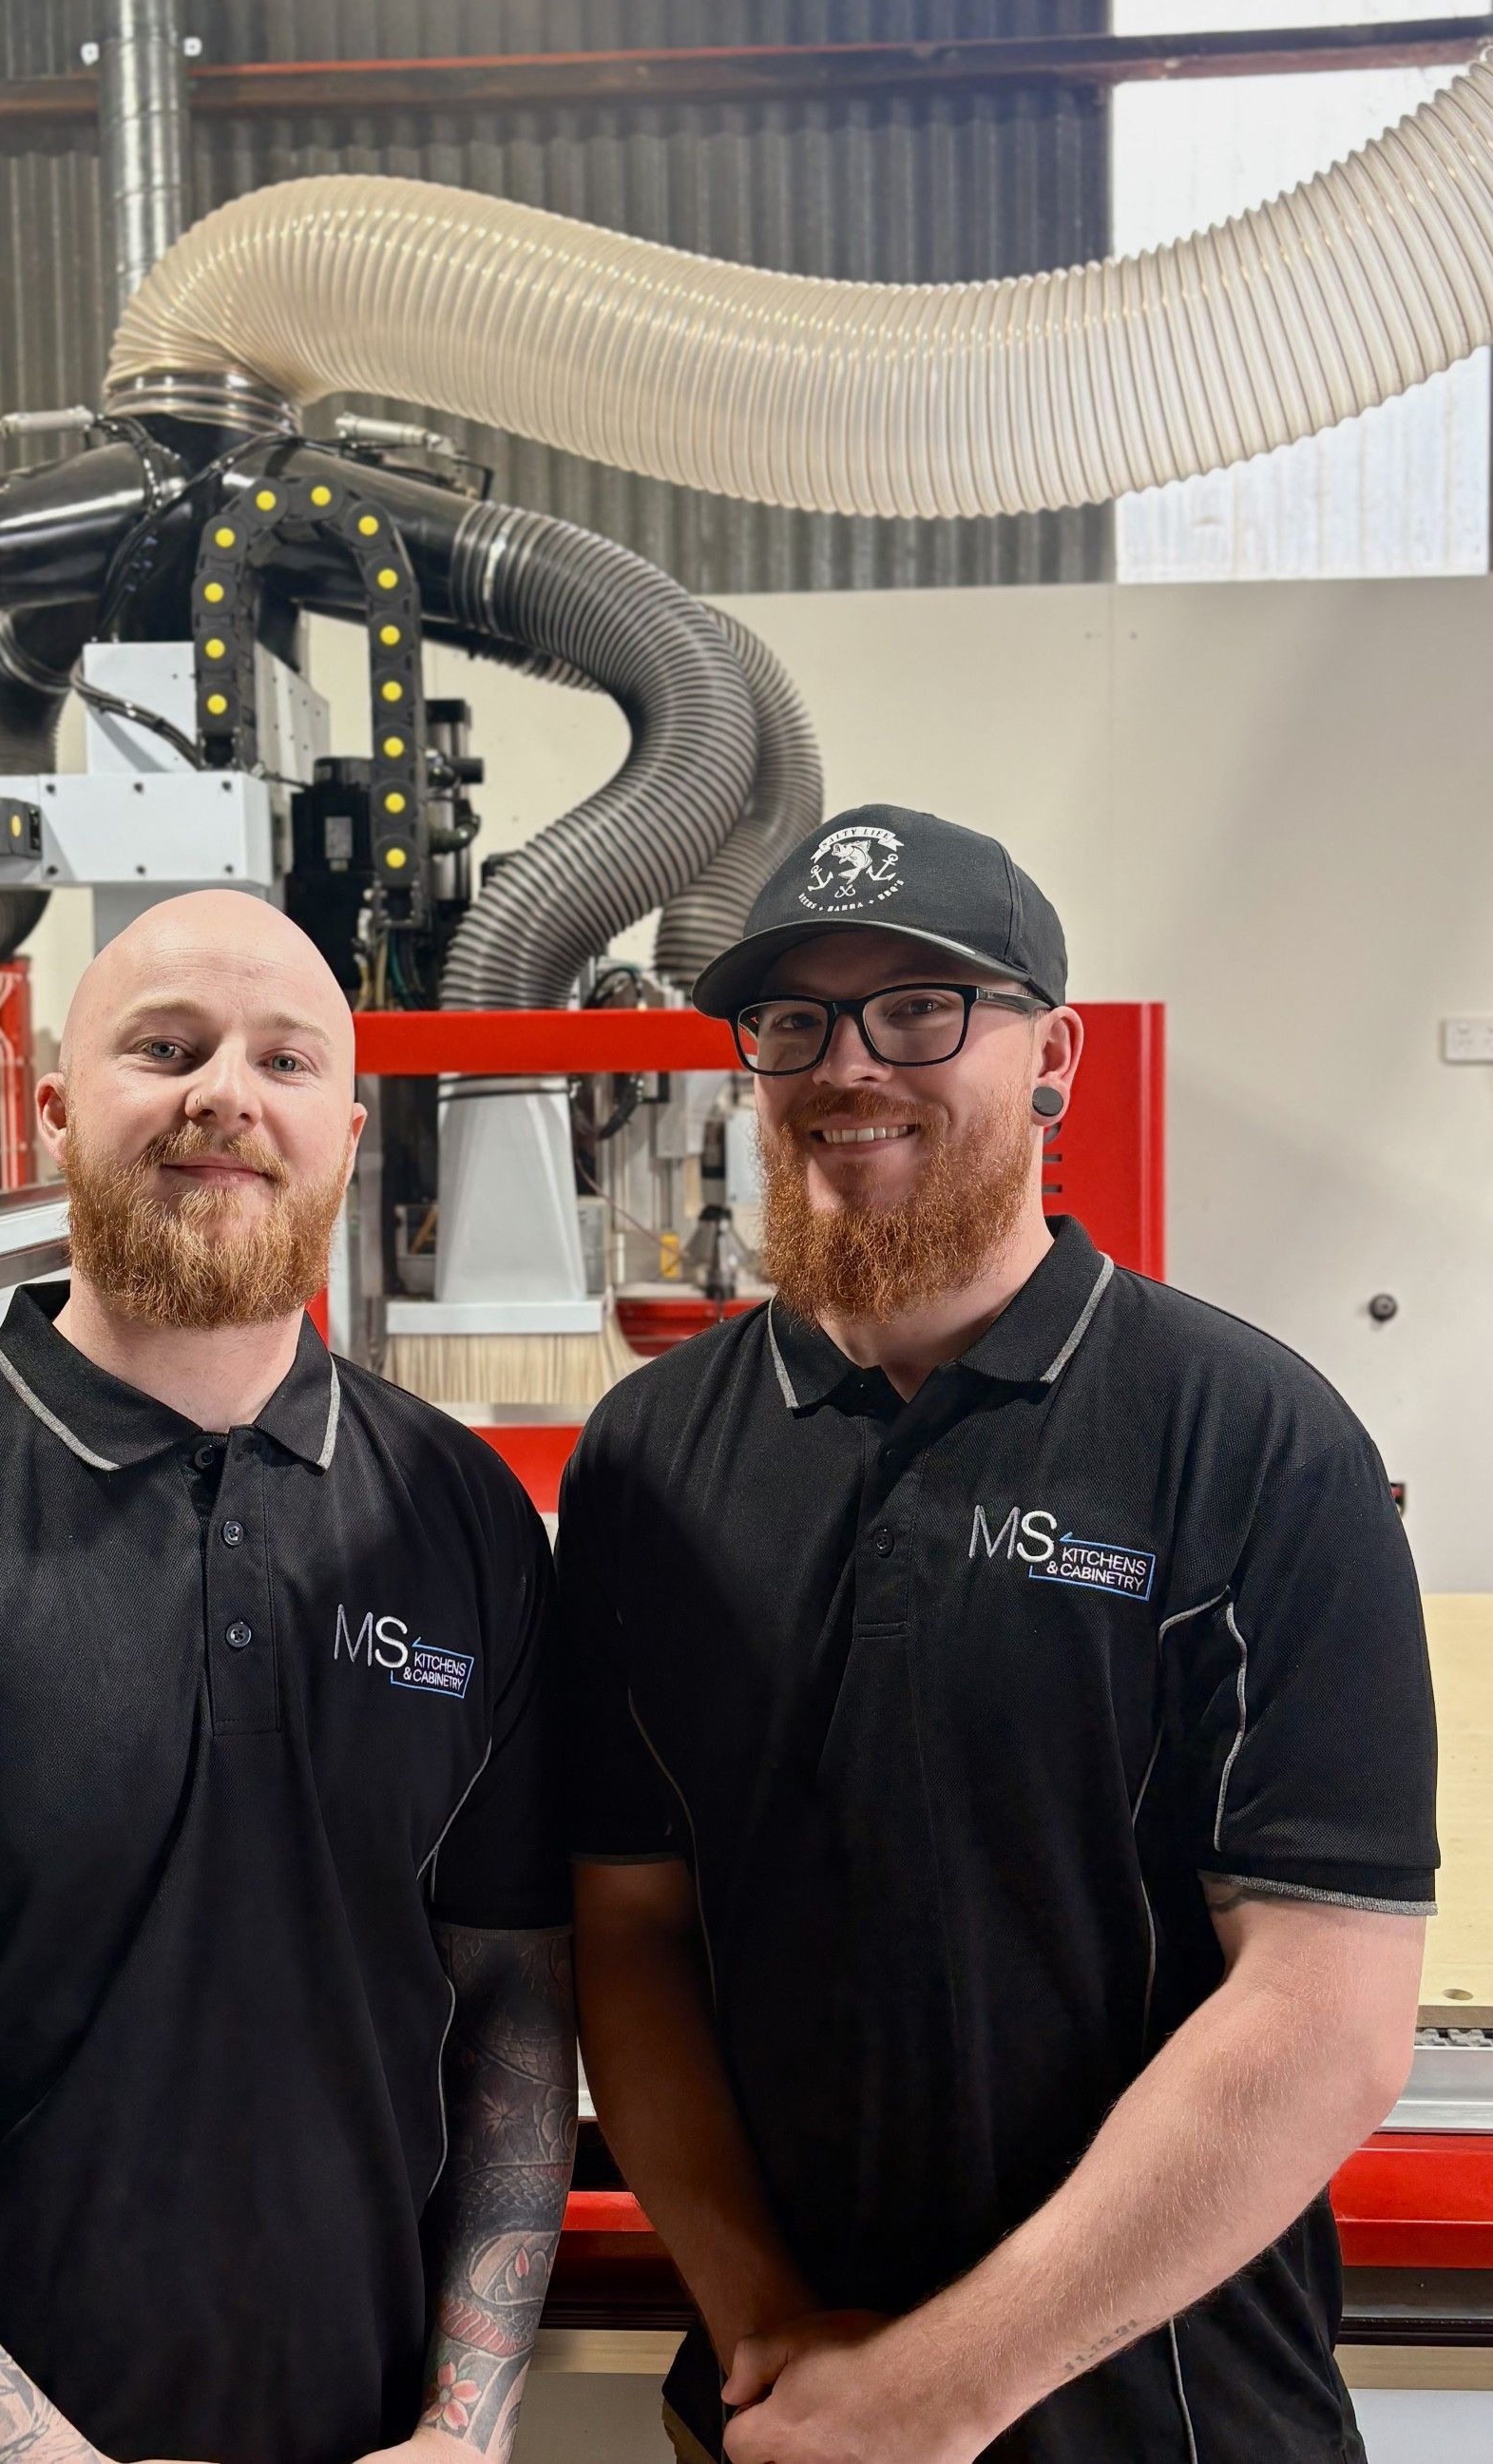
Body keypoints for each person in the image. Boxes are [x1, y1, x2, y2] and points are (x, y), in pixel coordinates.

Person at [560, 804, 1436, 2464]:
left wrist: (942, 2388)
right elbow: (634, 1928)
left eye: (919, 1008)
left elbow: (1328, 2008)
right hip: (783, 2414)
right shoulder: (650, 1456)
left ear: (1057, 1056)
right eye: (795, 1020)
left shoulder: (1247, 1436)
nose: (849, 1065)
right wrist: (763, 2327)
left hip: (1171, 2421)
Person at [0, 889, 574, 2464]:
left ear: (347, 1136)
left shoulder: (465, 1520)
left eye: (285, 1061)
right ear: (54, 1111)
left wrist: (464, 2419)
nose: (226, 1092)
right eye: (166, 1047)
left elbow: (511, 1991)